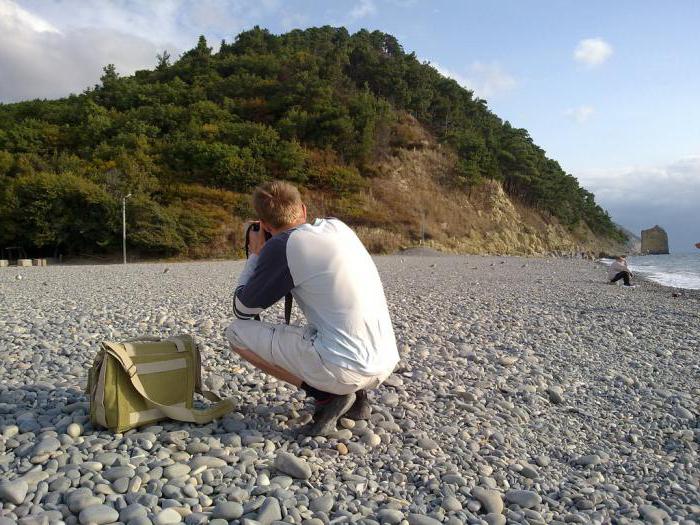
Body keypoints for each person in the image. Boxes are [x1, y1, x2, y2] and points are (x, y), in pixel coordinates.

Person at [225, 180, 399, 436]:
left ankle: (327, 396)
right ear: (303, 210)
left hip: (346, 367)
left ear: (264, 225)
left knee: (235, 333)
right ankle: (359, 398)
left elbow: (242, 310)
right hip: (385, 360)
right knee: (334, 321)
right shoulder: (339, 228)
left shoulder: (283, 245)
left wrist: (255, 254)